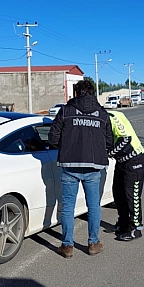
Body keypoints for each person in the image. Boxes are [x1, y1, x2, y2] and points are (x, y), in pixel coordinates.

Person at [49, 79, 113, 258]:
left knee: (68, 206)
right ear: (92, 93)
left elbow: (53, 137)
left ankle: (67, 246)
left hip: (70, 164)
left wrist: (66, 145)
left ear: (76, 93)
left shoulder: (66, 111)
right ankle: (93, 243)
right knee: (93, 205)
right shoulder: (102, 114)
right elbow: (109, 141)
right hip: (94, 166)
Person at [107, 110, 144, 241]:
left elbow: (125, 139)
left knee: (132, 194)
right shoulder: (106, 115)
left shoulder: (111, 117)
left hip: (134, 158)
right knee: (118, 192)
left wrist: (109, 152)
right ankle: (123, 223)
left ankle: (136, 228)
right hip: (121, 160)